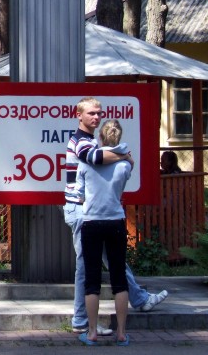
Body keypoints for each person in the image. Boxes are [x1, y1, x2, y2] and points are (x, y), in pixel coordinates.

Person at [63, 97, 168, 337]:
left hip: (90, 211)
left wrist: (119, 156)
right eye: (91, 113)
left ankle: (139, 299)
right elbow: (95, 159)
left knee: (110, 261)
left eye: (99, 113)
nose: (96, 117)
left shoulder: (90, 140)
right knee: (85, 266)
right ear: (79, 115)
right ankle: (81, 319)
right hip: (80, 209)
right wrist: (124, 156)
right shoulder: (80, 141)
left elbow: (99, 158)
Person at [75, 119, 131, 346]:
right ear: (119, 138)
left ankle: (91, 332)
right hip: (116, 220)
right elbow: (122, 186)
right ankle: (122, 333)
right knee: (119, 278)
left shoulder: (86, 163)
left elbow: (79, 194)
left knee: (92, 279)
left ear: (100, 137)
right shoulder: (125, 165)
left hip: (92, 222)